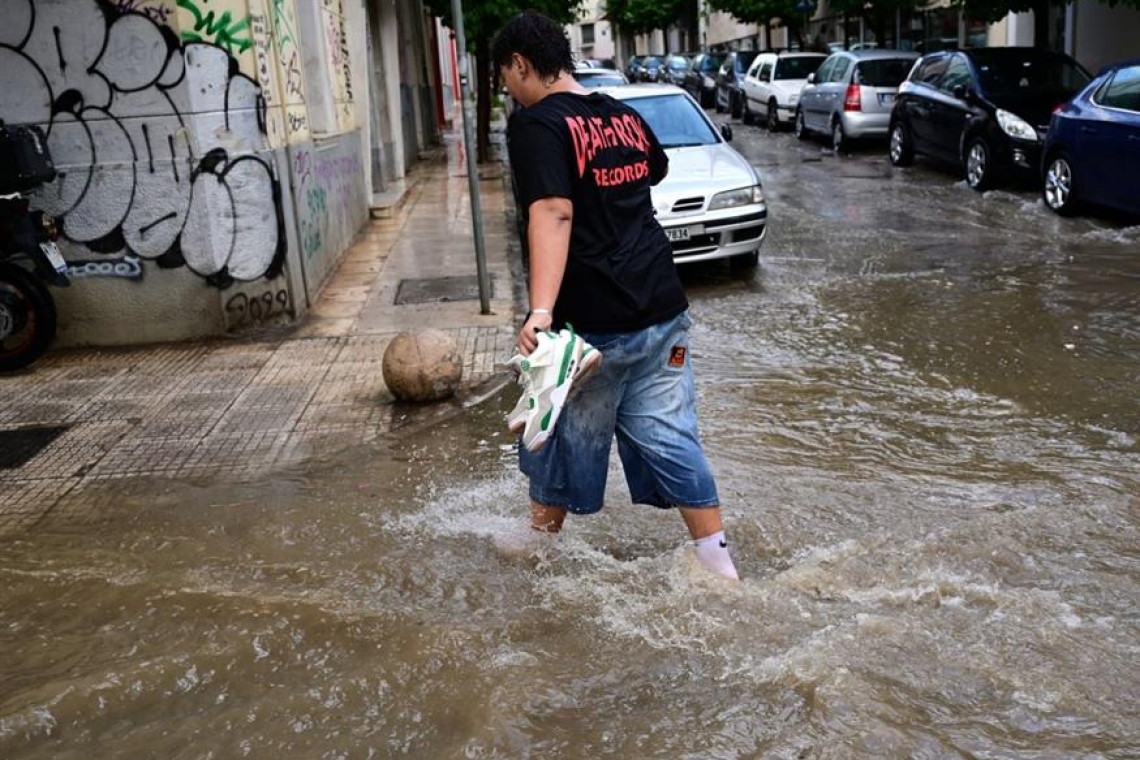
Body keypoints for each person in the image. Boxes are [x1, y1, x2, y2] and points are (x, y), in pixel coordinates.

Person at [492, 11, 739, 581]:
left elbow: (554, 211)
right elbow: (652, 170)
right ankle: (717, 563)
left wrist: (541, 312)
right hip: (663, 310)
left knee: (551, 423)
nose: (508, 88)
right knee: (672, 434)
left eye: (507, 76)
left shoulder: (538, 125)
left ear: (522, 65)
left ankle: (540, 547)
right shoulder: (623, 115)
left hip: (595, 322)